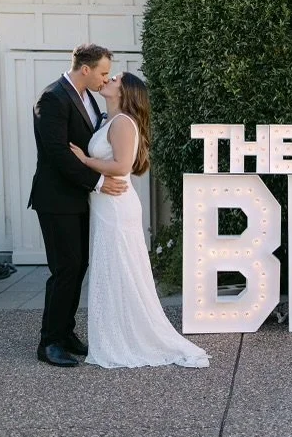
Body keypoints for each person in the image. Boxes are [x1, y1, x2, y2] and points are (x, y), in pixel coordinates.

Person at [70, 72, 210, 368]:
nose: (108, 79)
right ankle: (116, 334)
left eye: (115, 79)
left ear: (125, 92)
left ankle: (126, 339)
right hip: (106, 206)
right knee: (114, 271)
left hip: (116, 207)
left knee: (121, 270)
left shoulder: (123, 123)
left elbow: (122, 167)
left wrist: (84, 160)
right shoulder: (109, 120)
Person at [29, 44, 128, 368]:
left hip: (78, 198)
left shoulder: (87, 97)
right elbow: (58, 154)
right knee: (65, 269)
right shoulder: (52, 98)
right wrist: (98, 182)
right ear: (85, 69)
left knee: (78, 265)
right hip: (56, 199)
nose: (105, 79)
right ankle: (49, 342)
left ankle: (65, 331)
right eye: (102, 72)